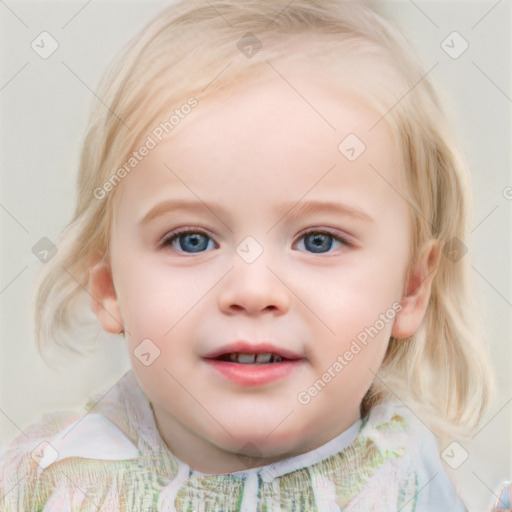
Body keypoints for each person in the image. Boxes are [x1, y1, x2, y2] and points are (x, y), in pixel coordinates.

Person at [0, 0, 495, 510]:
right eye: (191, 240)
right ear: (107, 289)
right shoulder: (51, 481)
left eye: (319, 241)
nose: (252, 291)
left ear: (411, 288)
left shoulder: (413, 483)